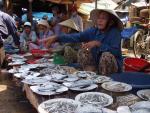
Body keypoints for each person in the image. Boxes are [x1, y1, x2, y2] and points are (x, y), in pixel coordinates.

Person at [46, 9, 123, 75]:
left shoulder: (114, 33)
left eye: (103, 18)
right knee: (83, 51)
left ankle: (106, 80)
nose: (99, 20)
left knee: (106, 56)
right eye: (99, 18)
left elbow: (115, 52)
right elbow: (77, 36)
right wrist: (57, 37)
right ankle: (91, 74)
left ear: (110, 22)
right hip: (97, 64)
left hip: (112, 68)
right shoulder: (93, 31)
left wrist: (98, 44)